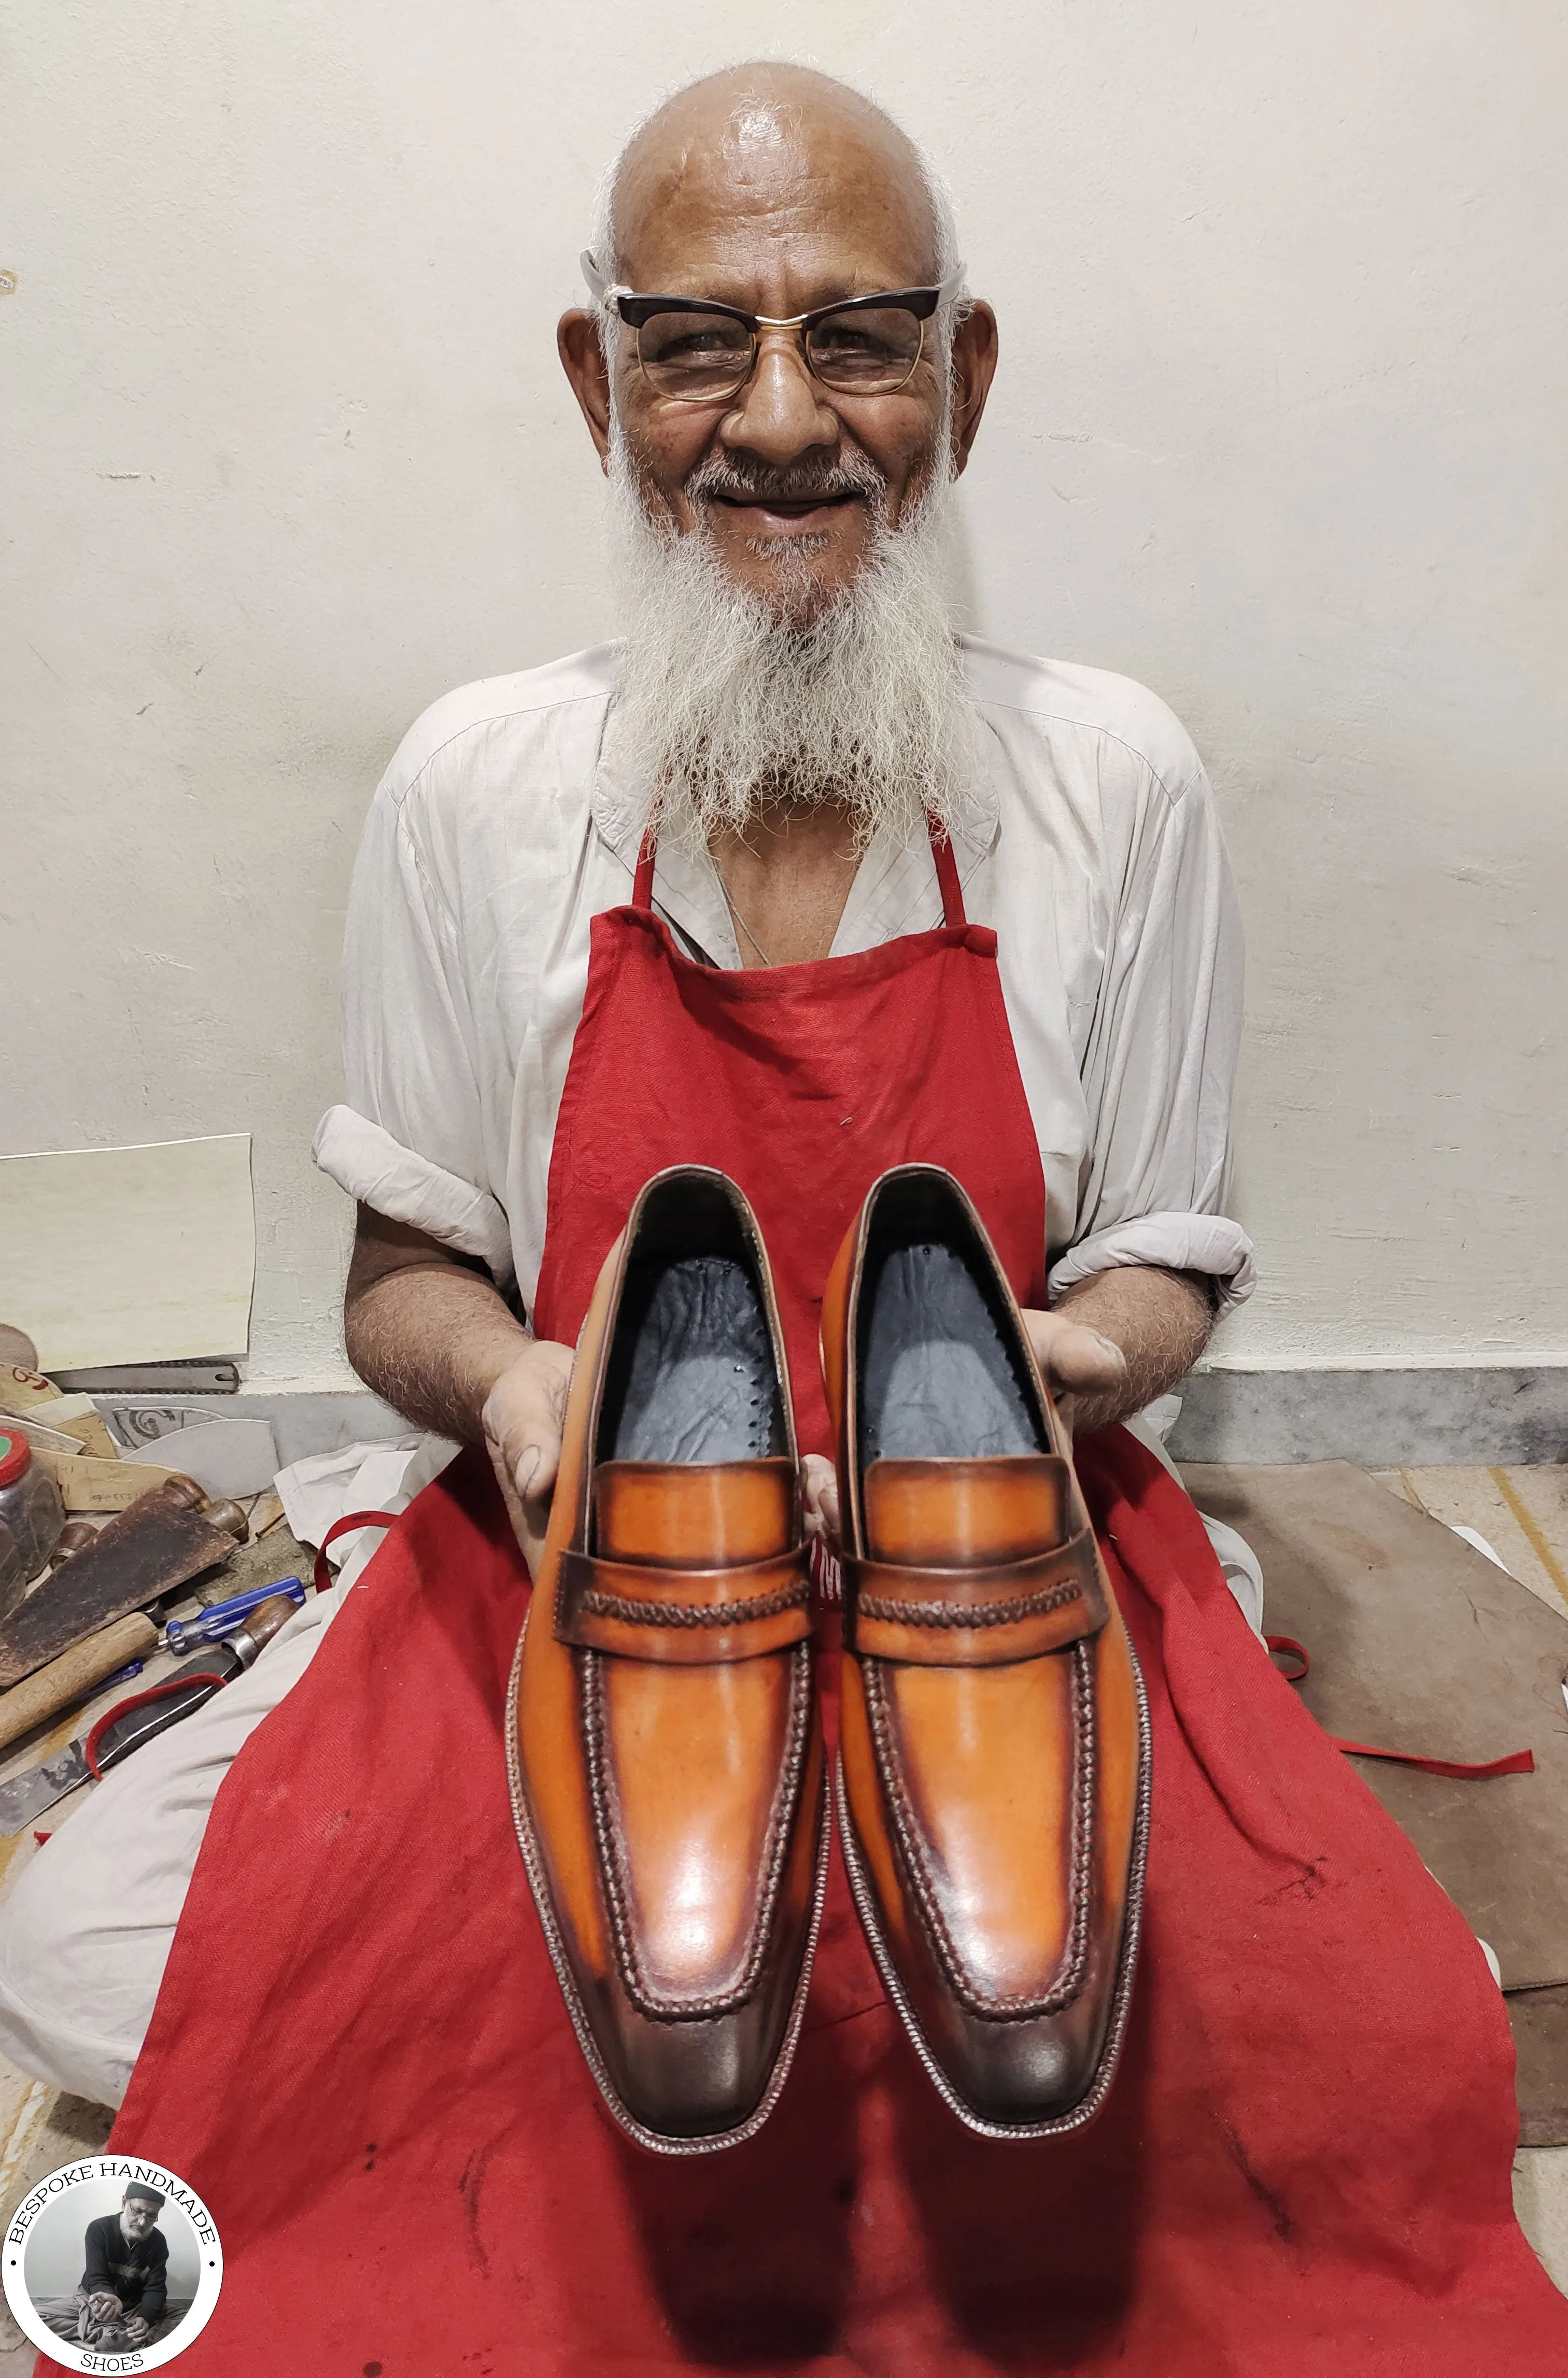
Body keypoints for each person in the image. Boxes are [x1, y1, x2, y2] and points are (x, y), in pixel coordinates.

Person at [3, 61, 1560, 2377]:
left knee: (1364, 2009)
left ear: (966, 373)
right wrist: (523, 1379)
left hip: (988, 1525)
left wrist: (1088, 1359)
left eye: (855, 336)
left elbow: (1164, 1235)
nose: (774, 421)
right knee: (99, 1936)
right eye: (690, 343)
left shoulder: (1109, 772)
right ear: (590, 378)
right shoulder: (479, 782)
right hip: (598, 1536)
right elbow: (403, 1275)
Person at [33, 2184, 169, 2352]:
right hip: (92, 2301)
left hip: (133, 2309)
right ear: (125, 2202)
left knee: (191, 2320)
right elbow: (96, 2277)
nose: (142, 2222)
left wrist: (145, 2318)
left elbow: (156, 2289)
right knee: (30, 2318)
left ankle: (107, 2332)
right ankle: (111, 2335)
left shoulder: (159, 2242)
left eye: (151, 2216)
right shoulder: (99, 2228)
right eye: (137, 2211)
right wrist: (106, 2301)